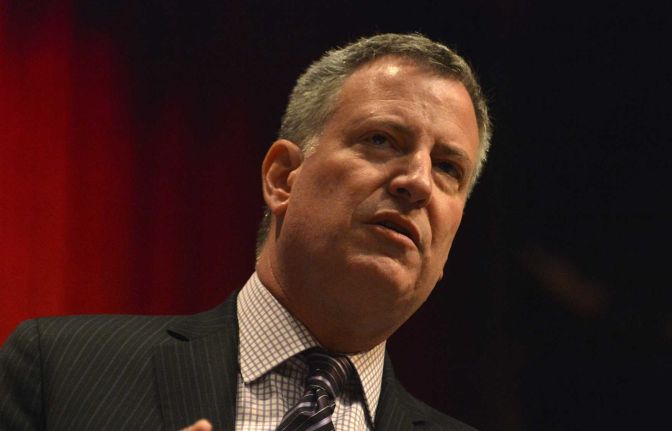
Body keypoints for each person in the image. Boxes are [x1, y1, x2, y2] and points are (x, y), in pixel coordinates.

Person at [0, 33, 491, 431]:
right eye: (381, 139)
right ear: (282, 179)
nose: (418, 182)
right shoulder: (62, 372)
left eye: (448, 167)